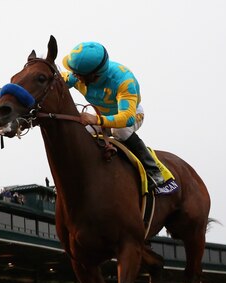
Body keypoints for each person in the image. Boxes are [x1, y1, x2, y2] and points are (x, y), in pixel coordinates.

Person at [61, 42, 166, 191]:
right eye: (74, 72)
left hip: (131, 114)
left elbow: (126, 117)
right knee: (79, 134)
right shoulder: (78, 75)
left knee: (120, 131)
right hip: (103, 115)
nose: (74, 76)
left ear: (94, 75)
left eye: (78, 74)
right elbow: (58, 81)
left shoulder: (124, 80)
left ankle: (154, 170)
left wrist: (96, 120)